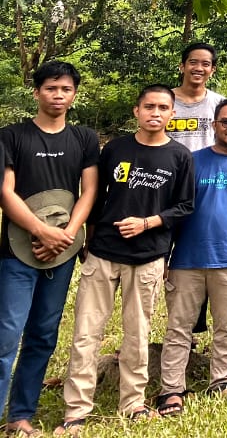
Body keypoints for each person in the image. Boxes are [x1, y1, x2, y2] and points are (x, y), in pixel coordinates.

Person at [58, 86, 195, 432]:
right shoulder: (116, 149)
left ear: (172, 114)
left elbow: (185, 206)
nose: (155, 113)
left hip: (147, 256)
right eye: (149, 106)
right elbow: (95, 195)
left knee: (137, 333)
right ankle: (76, 408)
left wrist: (148, 223)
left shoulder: (180, 156)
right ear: (136, 111)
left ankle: (132, 402)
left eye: (163, 107)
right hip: (103, 252)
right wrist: (89, 236)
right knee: (86, 332)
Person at [0, 61, 98, 437]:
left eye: (66, 89)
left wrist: (67, 234)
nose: (58, 95)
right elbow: (5, 192)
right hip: (16, 251)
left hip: (62, 251)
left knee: (43, 334)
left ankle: (20, 415)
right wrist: (41, 230)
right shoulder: (12, 136)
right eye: (51, 88)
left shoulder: (84, 138)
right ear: (36, 92)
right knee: (7, 334)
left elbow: (89, 190)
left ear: (74, 95)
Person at [157, 98, 227, 415]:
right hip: (186, 260)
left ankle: (221, 382)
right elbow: (174, 213)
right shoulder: (191, 162)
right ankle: (172, 390)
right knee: (178, 328)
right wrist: (165, 257)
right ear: (214, 125)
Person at [170, 42, 224, 154]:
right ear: (182, 67)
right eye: (193, 62)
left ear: (212, 70)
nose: (199, 68)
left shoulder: (221, 104)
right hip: (168, 163)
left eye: (205, 64)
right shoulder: (163, 100)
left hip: (208, 163)